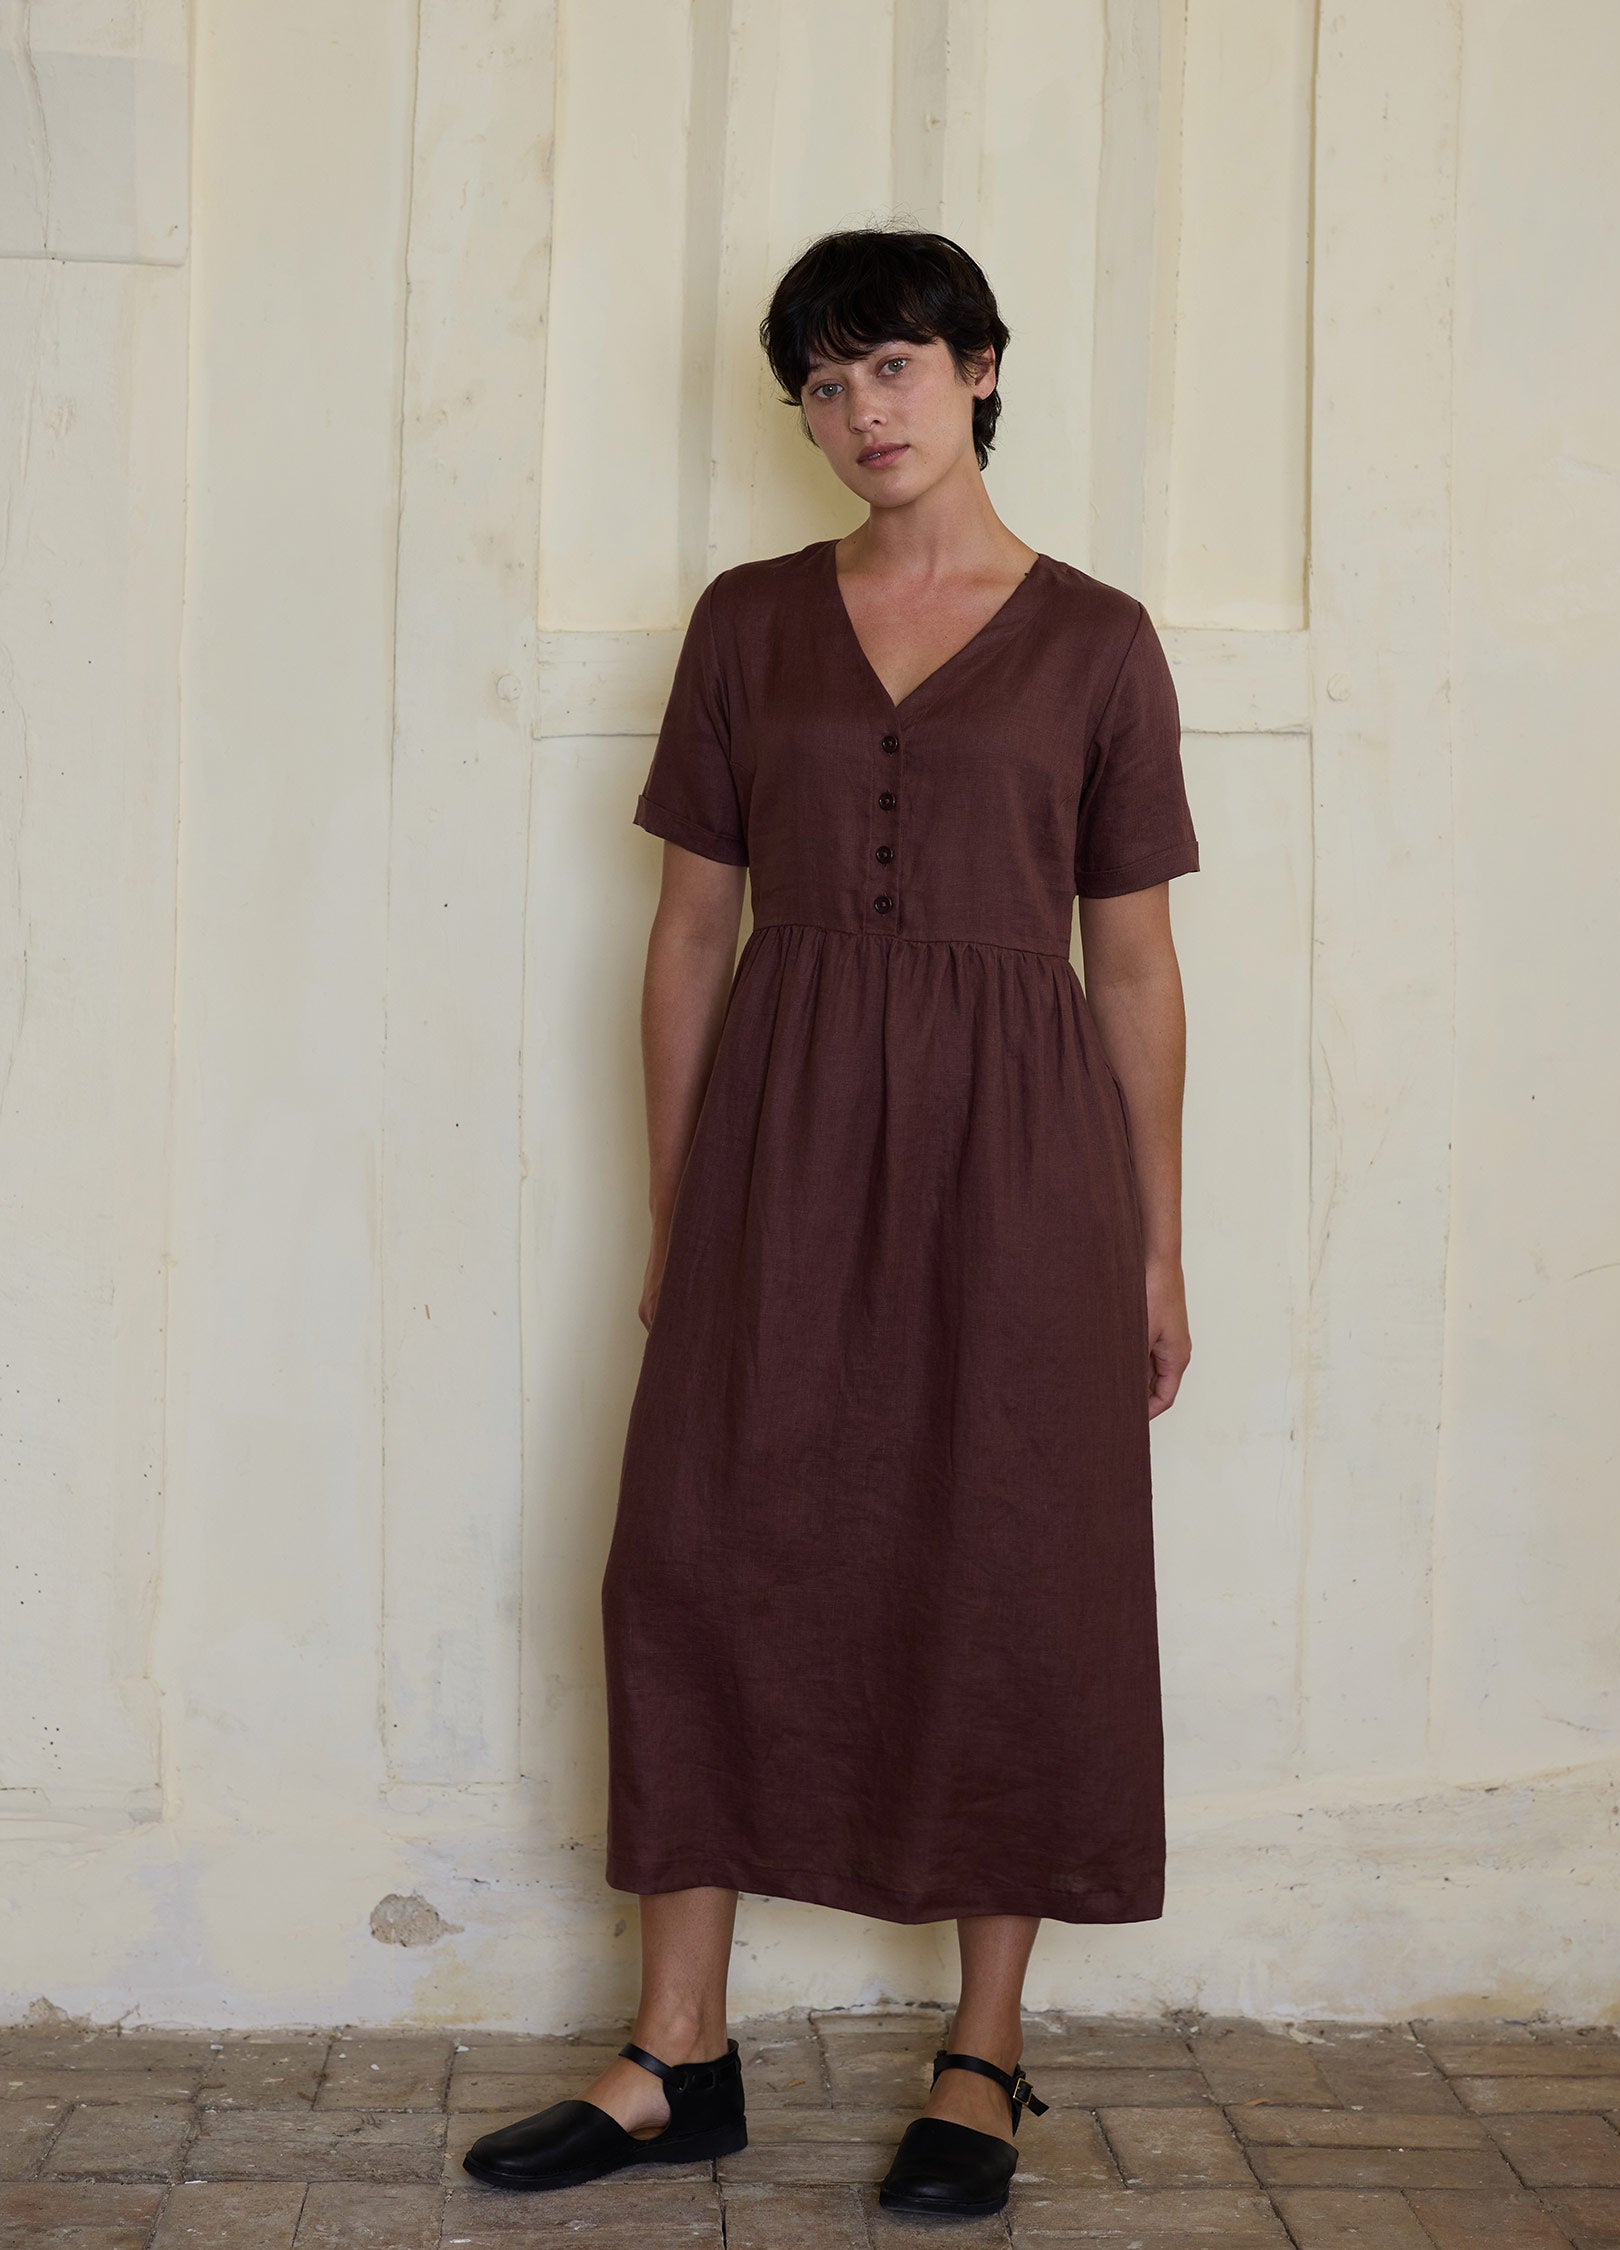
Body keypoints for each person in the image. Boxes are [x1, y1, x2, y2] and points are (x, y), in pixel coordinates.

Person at [464, 225, 1199, 2221]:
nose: (859, 411)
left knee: (1010, 1557)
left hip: (1023, 1160)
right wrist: (684, 1199)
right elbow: (689, 938)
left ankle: (984, 2055)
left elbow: (1130, 969)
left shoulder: (1102, 641)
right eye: (823, 379)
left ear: (977, 370)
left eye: (893, 365)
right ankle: (675, 2052)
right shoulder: (748, 621)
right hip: (780, 1147)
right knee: (696, 1554)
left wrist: (1157, 1241)